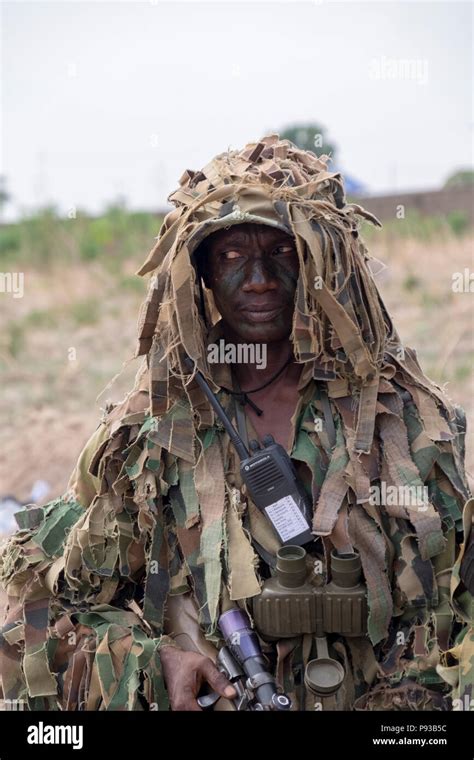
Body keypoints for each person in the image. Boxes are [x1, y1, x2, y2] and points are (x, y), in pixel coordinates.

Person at [0, 135, 472, 711]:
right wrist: (154, 665)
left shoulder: (403, 421)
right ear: (198, 274)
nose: (257, 280)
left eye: (281, 252)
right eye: (230, 256)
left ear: (323, 261)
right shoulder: (149, 435)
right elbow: (41, 606)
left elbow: (456, 616)